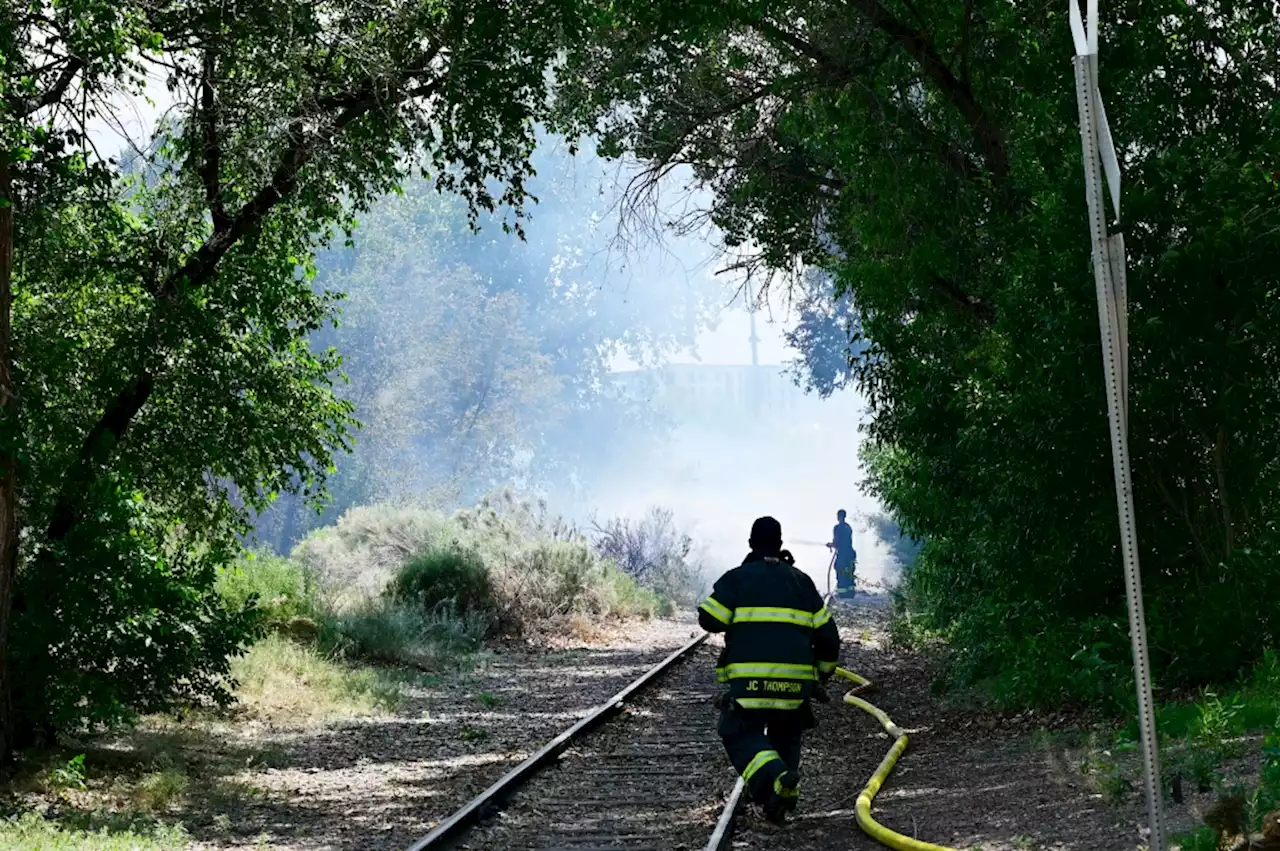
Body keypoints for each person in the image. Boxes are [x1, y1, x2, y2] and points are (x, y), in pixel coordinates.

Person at [697, 516, 841, 824]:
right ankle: (782, 795)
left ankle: (775, 777)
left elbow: (709, 619)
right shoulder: (801, 582)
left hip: (749, 686)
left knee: (738, 732)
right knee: (787, 732)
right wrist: (823, 674)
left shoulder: (738, 578)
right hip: (795, 687)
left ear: (751, 544)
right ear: (779, 543)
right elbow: (829, 636)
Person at [826, 509, 857, 599]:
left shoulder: (837, 528)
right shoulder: (848, 527)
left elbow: (837, 542)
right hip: (850, 553)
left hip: (843, 554)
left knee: (840, 572)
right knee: (849, 573)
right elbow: (846, 541)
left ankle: (842, 594)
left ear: (839, 517)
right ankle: (851, 593)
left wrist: (831, 545)